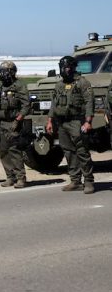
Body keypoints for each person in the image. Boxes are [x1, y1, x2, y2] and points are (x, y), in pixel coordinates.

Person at [46, 56, 95, 194]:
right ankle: (75, 180)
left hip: (77, 121)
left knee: (82, 151)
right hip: (62, 123)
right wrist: (50, 121)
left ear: (73, 67)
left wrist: (88, 122)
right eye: (62, 67)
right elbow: (54, 104)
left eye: (66, 67)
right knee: (68, 151)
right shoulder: (59, 85)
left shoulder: (82, 83)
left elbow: (89, 102)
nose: (64, 70)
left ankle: (89, 181)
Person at [0, 61, 30, 188]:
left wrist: (18, 120)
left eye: (5, 71)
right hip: (0, 123)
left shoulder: (19, 86)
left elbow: (26, 105)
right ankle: (10, 177)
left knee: (14, 150)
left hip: (13, 122)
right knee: (3, 151)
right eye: (1, 71)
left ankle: (20, 178)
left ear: (12, 72)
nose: (3, 74)